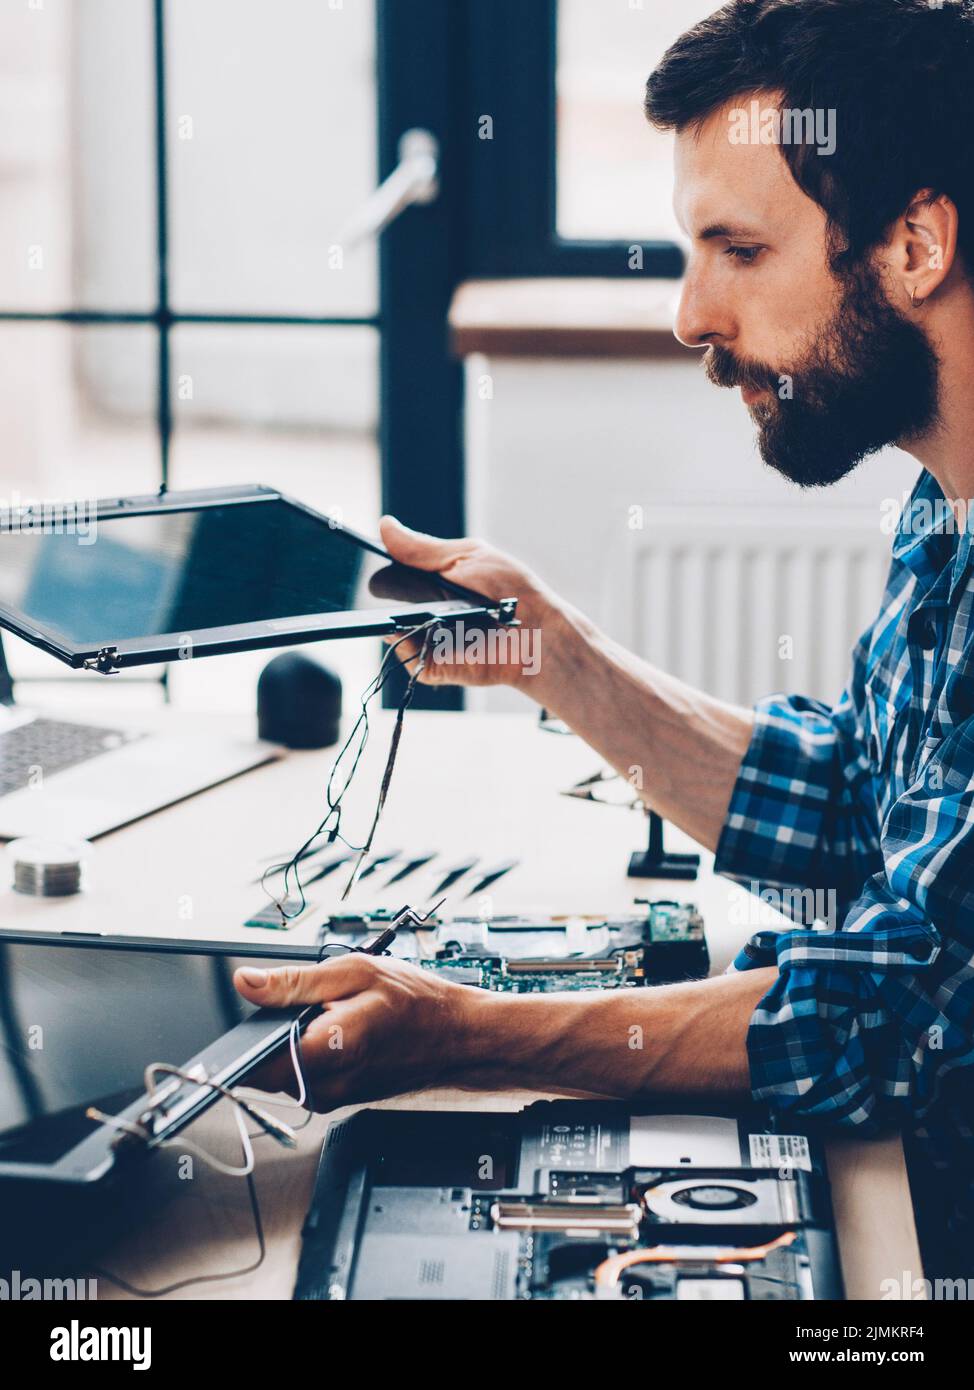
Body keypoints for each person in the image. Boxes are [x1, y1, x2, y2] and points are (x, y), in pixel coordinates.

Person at [236, 0, 974, 1282]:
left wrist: (461, 1032)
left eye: (736, 249)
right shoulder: (944, 507)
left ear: (914, 241)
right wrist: (550, 655)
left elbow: (877, 1018)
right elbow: (852, 802)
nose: (690, 315)